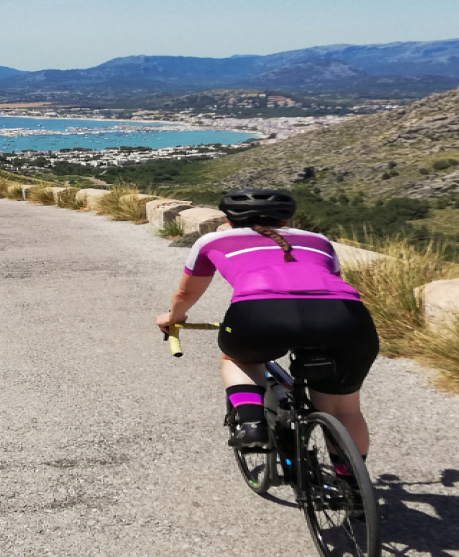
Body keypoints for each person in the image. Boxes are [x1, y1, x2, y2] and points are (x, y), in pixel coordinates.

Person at [155, 188, 380, 457]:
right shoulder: (319, 240)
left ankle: (251, 423)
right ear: (285, 221)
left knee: (238, 359)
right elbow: (330, 283)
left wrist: (173, 318)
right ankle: (350, 489)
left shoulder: (212, 241)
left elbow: (185, 293)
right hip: (346, 317)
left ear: (228, 220)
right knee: (343, 410)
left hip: (259, 315)